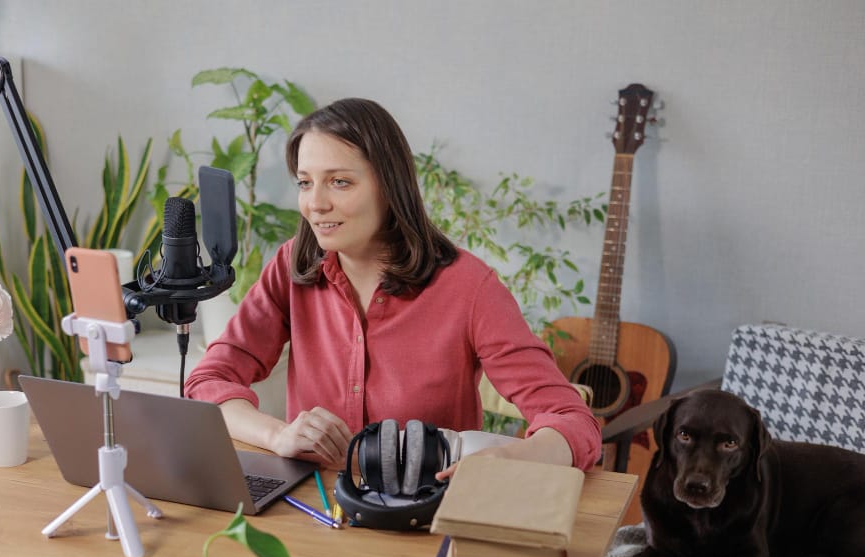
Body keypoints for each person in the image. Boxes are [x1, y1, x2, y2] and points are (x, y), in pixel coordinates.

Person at [184, 97, 600, 473]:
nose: (316, 203)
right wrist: (278, 435)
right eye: (306, 182)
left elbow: (573, 420)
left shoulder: (470, 288)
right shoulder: (292, 266)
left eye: (340, 182)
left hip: (426, 519)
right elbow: (209, 381)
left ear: (390, 186)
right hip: (316, 510)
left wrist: (506, 459)